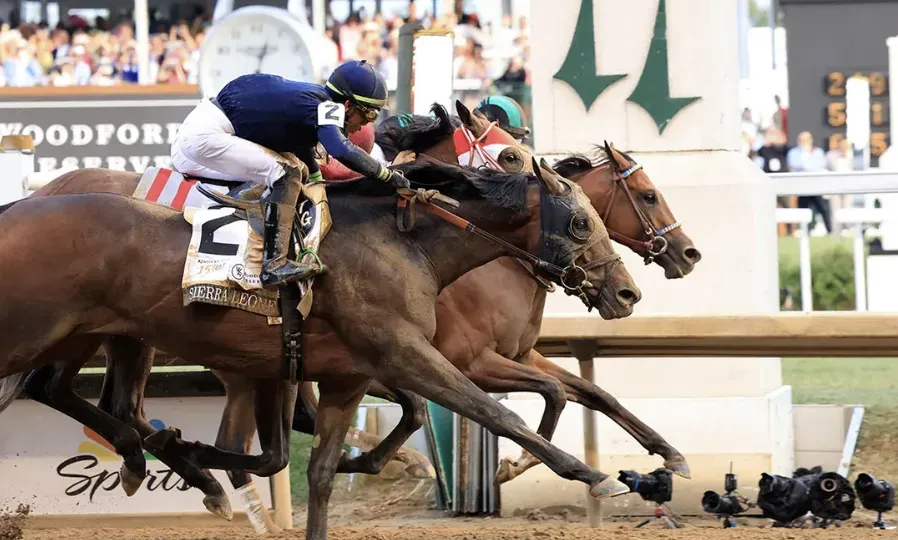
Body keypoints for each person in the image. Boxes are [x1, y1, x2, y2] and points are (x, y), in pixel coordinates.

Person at [171, 60, 409, 289]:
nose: (365, 125)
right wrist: (386, 174)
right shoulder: (328, 106)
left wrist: (316, 180)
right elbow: (341, 149)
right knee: (287, 174)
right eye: (369, 115)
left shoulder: (313, 100)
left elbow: (300, 146)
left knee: (293, 169)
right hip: (205, 136)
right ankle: (274, 265)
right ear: (348, 105)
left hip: (196, 135)